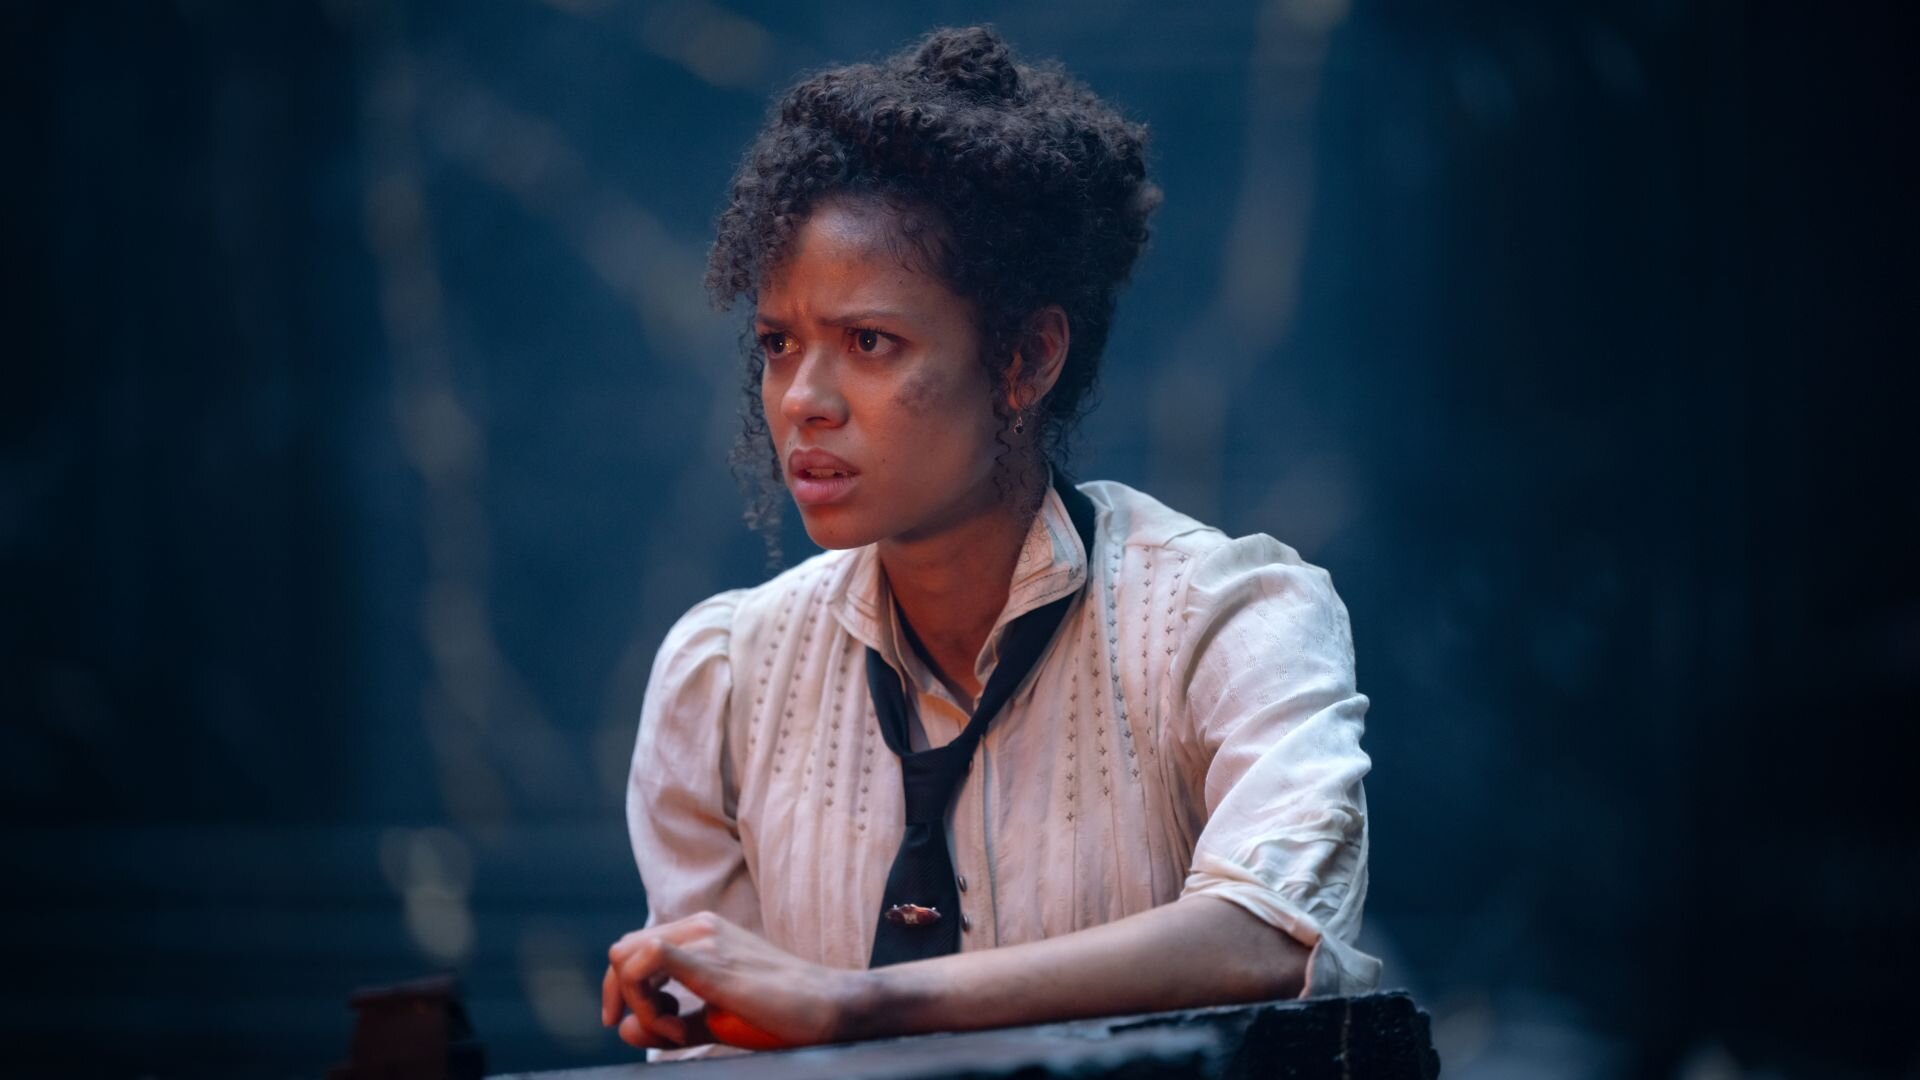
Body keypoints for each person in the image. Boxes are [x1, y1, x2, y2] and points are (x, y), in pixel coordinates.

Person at [601, 25, 1378, 1059]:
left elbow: (1269, 935)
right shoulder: (726, 679)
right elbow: (720, 1049)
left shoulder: (1222, 619)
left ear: (1026, 360)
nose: (801, 400)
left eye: (869, 342)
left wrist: (853, 1003)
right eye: (778, 344)